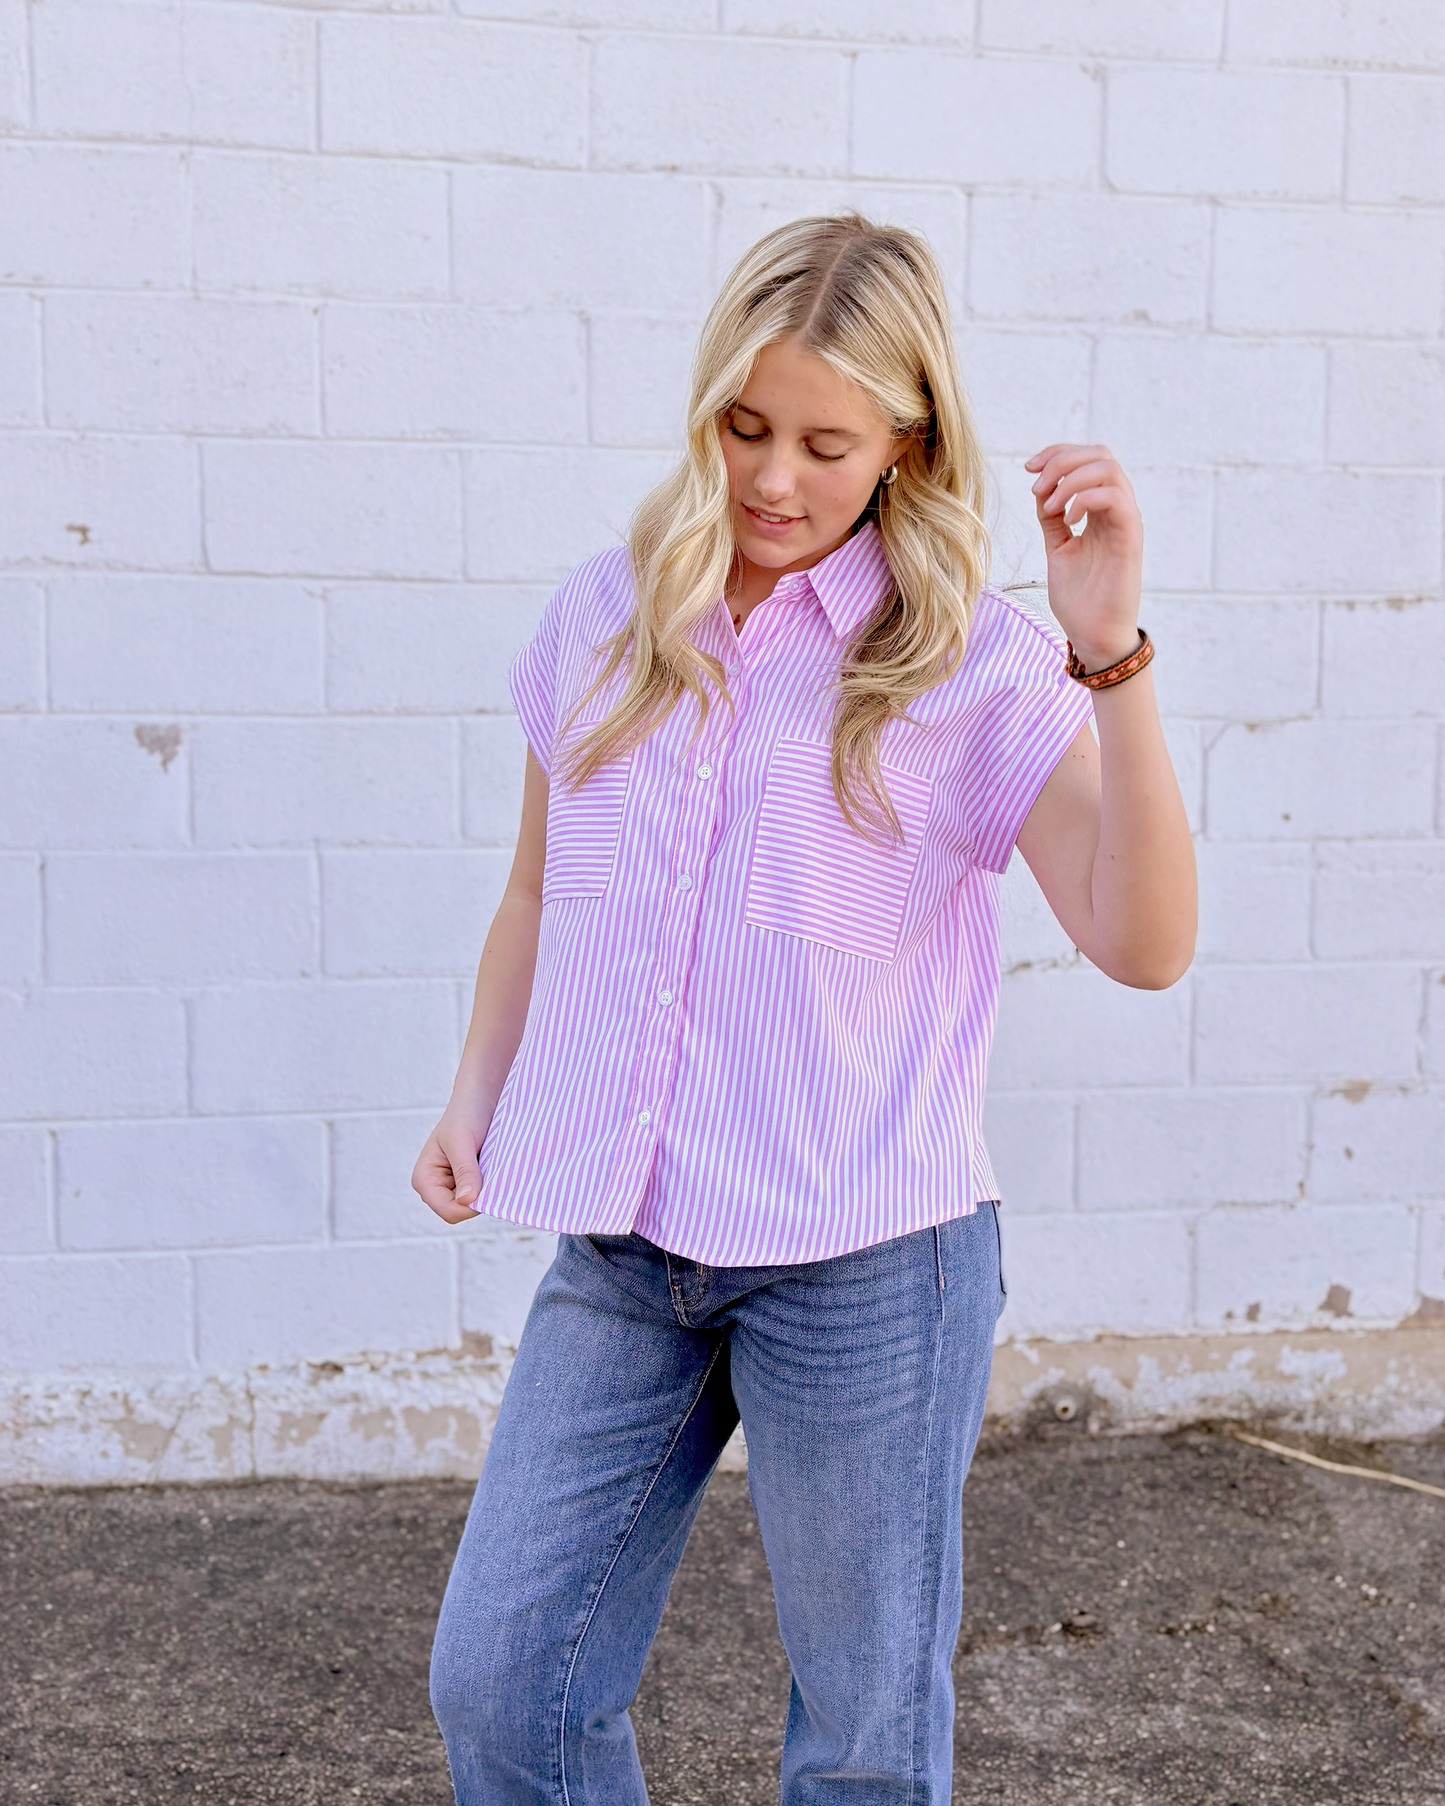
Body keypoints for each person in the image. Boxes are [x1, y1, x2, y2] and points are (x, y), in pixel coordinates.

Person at [415, 213, 1196, 1805]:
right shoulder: (607, 617)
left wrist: (1108, 650)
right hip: (630, 1250)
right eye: (746, 427)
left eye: (827, 444)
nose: (775, 479)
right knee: (505, 1681)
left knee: (858, 1745)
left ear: (909, 443)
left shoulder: (969, 664)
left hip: (867, 1264)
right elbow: (534, 893)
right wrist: (475, 1091)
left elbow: (1145, 941)